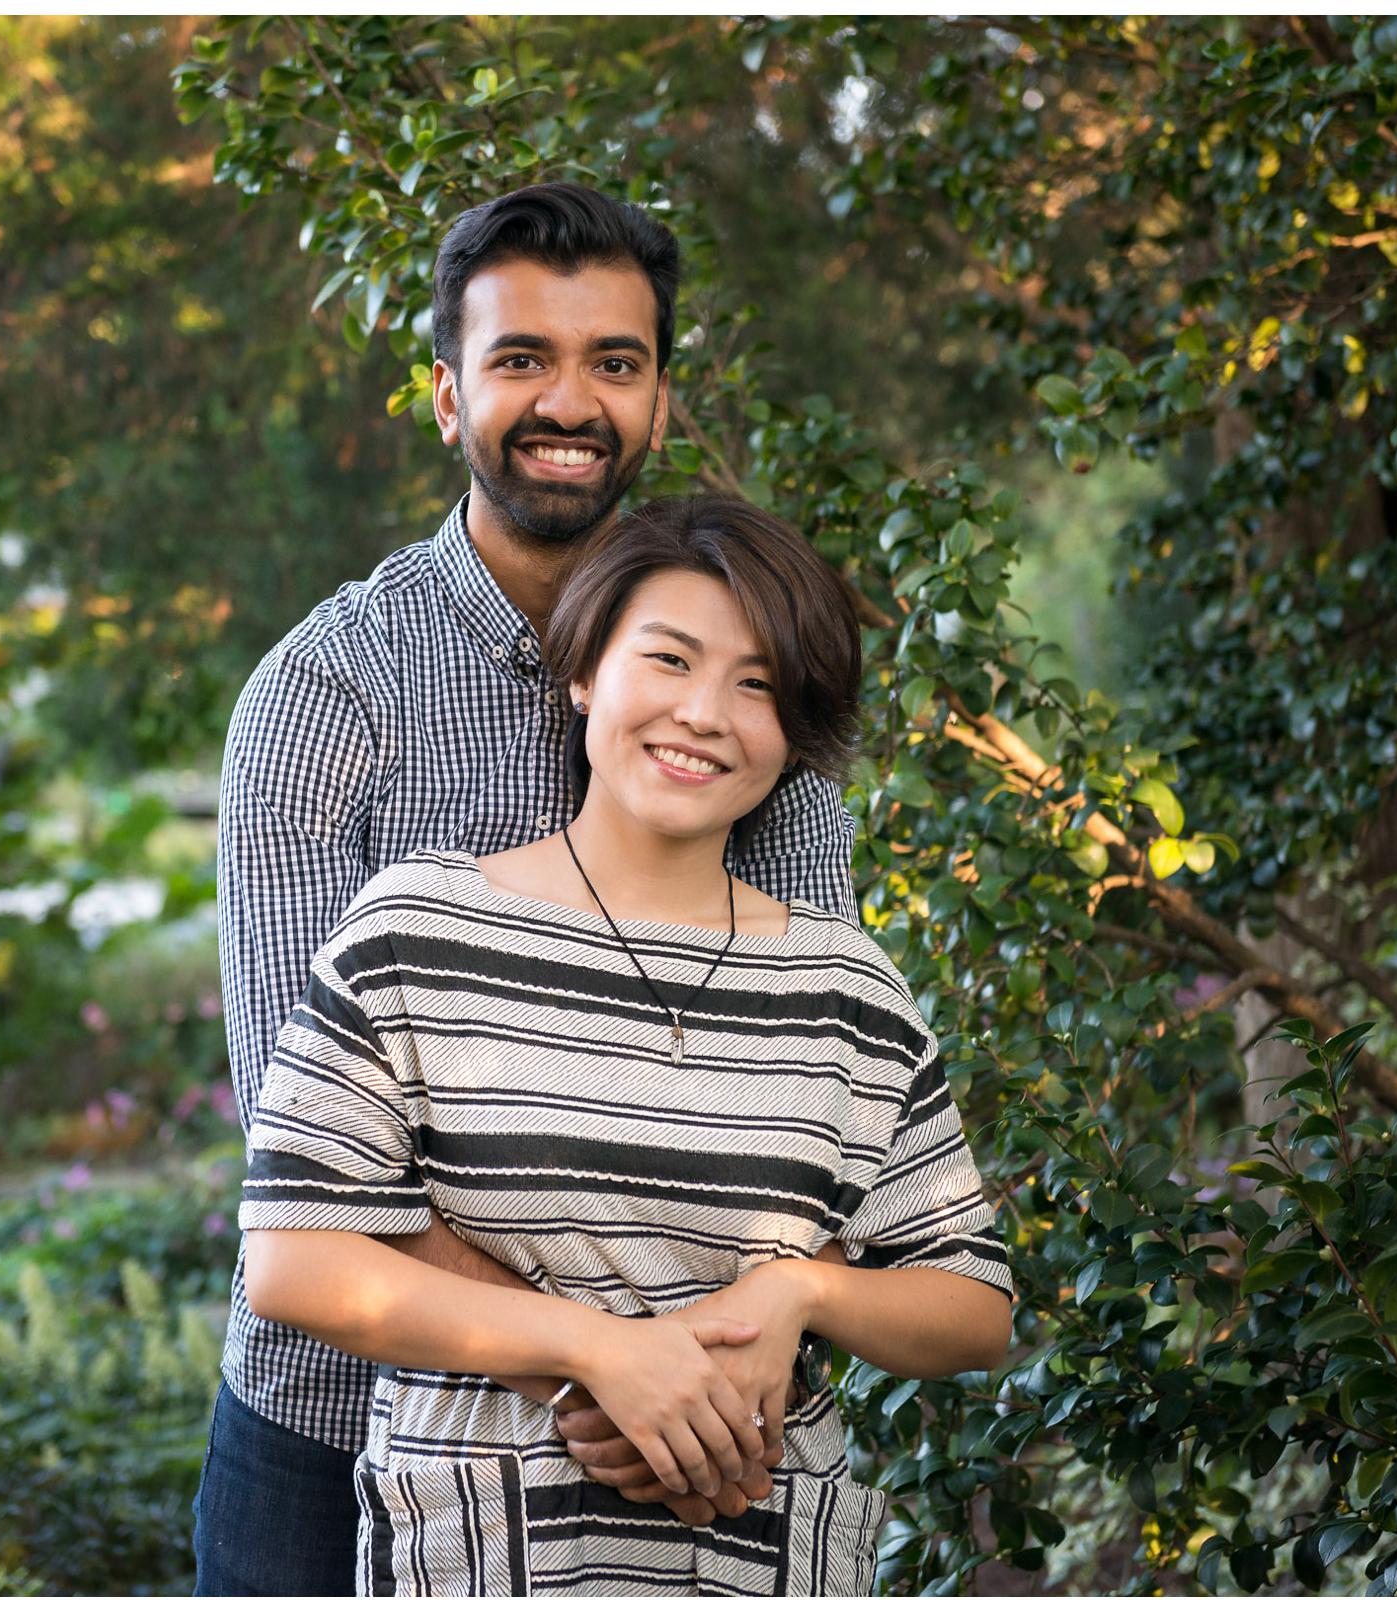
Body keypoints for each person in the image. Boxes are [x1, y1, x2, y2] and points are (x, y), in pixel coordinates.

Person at [194, 183, 859, 1595]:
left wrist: (687, 1369)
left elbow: (819, 1111)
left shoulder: (749, 705)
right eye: (521, 361)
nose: (571, 400)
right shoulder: (326, 698)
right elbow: (304, 1146)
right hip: (340, 1429)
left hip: (694, 1448)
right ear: (447, 396)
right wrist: (593, 1372)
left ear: (662, 401)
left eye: (613, 363)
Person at [241, 494, 1015, 1595]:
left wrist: (802, 1292)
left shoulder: (849, 990)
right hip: (487, 1561)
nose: (706, 713)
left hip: (760, 1560)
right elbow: (295, 1257)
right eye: (671, 660)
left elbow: (973, 1302)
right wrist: (598, 1354)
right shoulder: (415, 933)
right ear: (584, 671)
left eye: (758, 685)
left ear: (794, 733)